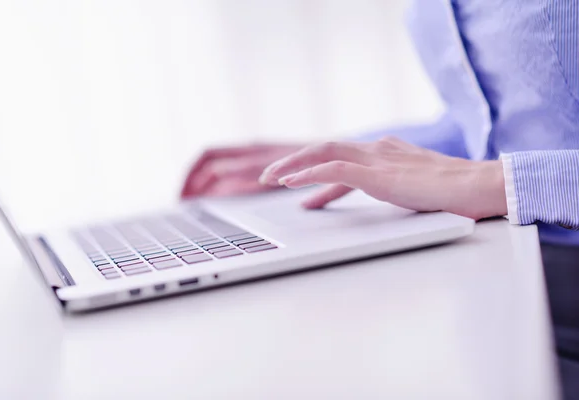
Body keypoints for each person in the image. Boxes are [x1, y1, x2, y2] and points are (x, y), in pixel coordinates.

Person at [181, 1, 579, 397]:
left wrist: (499, 181)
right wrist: (348, 153)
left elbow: (497, 166)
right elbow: (500, 126)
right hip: (518, 279)